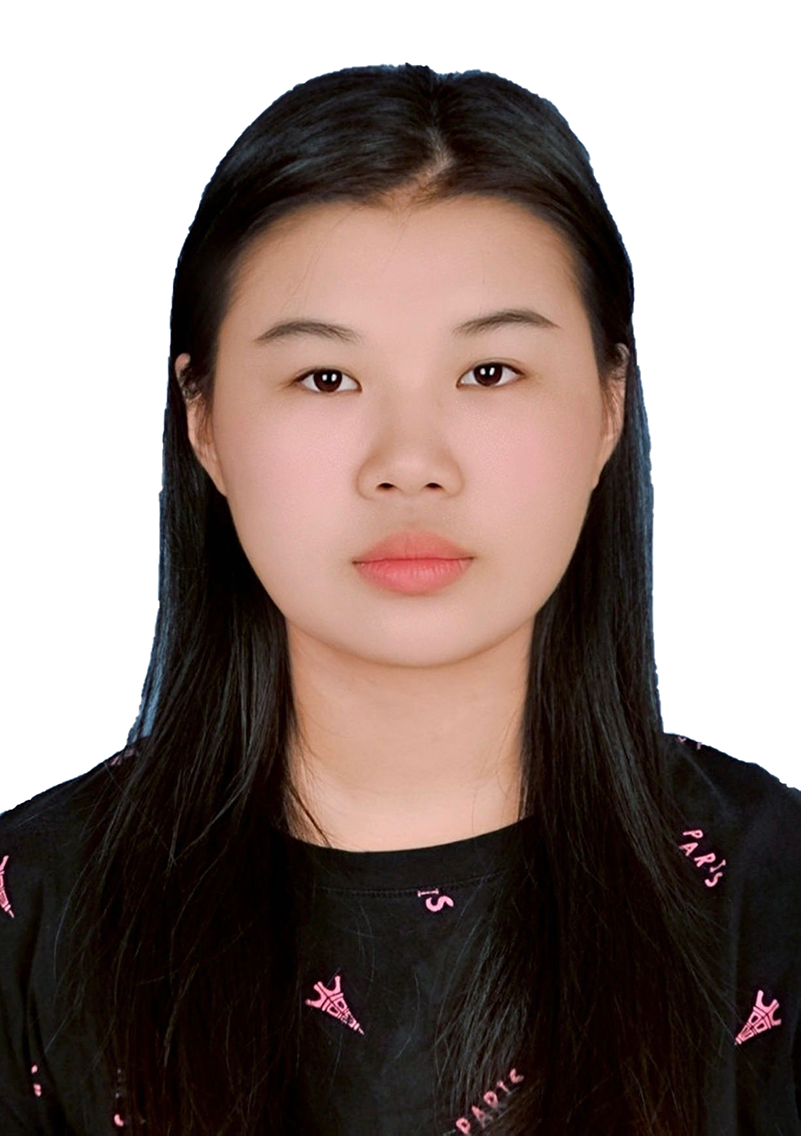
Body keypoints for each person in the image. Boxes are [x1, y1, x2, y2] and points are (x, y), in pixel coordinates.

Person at [1, 62, 799, 1135]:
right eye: (326, 378)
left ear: (609, 406)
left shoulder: (771, 899)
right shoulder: (32, 913)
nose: (410, 463)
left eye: (489, 373)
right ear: (203, 421)